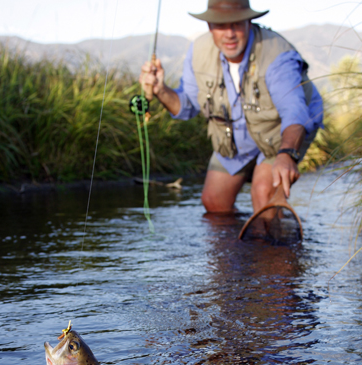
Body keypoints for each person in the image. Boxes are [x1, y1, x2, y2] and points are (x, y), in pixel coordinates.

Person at [139, 0, 324, 214]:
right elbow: (187, 105)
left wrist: (287, 154)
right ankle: (239, 246)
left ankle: (272, 244)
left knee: (263, 193)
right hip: (235, 133)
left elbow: (295, 112)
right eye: (220, 25)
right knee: (213, 202)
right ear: (209, 26)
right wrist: (161, 90)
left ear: (249, 21)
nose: (229, 33)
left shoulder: (276, 55)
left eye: (236, 23)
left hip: (282, 133)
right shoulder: (198, 51)